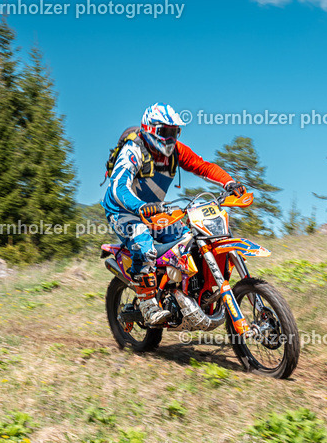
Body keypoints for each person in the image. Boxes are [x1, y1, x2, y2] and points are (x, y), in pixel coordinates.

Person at [103, 103, 245, 325]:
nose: (170, 138)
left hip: (154, 210)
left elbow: (203, 166)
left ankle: (184, 293)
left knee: (188, 240)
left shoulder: (176, 151)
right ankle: (148, 304)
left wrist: (229, 182)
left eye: (174, 132)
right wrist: (139, 207)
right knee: (143, 242)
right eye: (165, 132)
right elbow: (118, 187)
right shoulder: (133, 150)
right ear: (150, 129)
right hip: (122, 209)